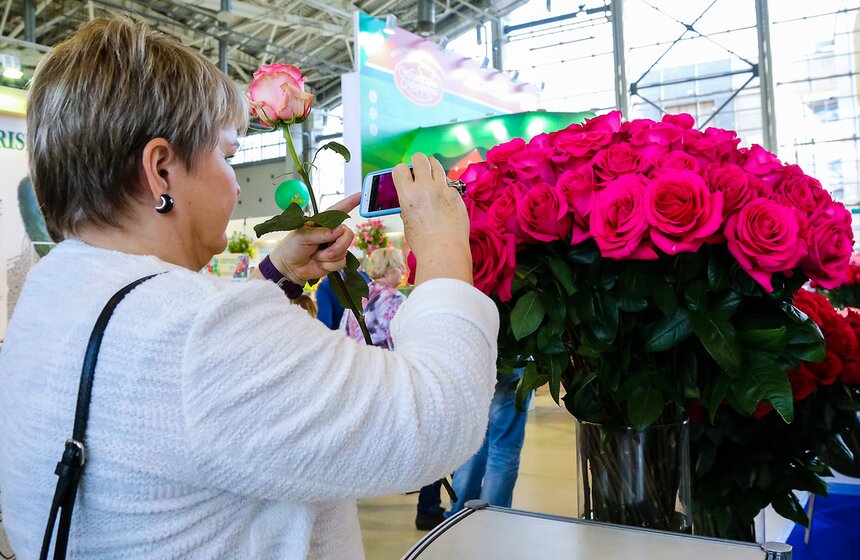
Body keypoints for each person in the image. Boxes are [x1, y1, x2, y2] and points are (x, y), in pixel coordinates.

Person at [0, 16, 498, 560]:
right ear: (161, 171)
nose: (236, 181)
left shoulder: (48, 292)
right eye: (228, 155)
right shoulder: (198, 336)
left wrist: (274, 279)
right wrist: (445, 241)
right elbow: (439, 416)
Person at [341, 249, 446, 529]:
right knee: (431, 437)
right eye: (399, 268)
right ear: (389, 269)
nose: (402, 273)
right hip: (391, 383)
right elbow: (408, 343)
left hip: (360, 383)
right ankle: (429, 508)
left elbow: (343, 337)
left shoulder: (355, 300)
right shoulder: (398, 301)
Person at [447, 367, 532, 517]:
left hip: (474, 365)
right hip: (510, 359)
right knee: (503, 451)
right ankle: (491, 520)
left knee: (473, 447)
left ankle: (458, 517)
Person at [341, 247, 404, 346]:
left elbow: (345, 329)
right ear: (388, 269)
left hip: (357, 355)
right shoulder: (395, 298)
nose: (403, 271)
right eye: (399, 266)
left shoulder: (361, 293)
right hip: (383, 358)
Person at [315, 251, 370, 329]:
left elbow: (325, 323)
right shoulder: (364, 278)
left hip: (342, 336)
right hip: (368, 335)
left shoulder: (325, 287)